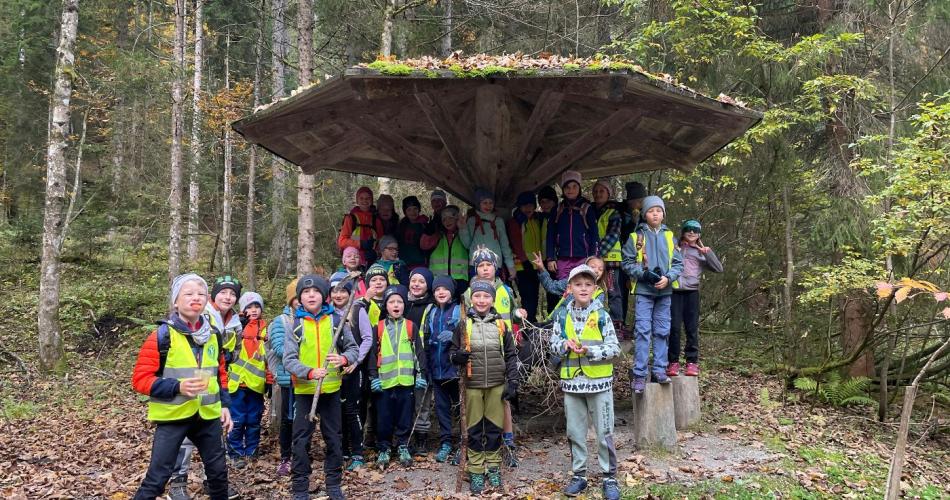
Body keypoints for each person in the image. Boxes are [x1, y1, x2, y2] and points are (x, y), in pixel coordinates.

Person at [132, 273, 232, 500]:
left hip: (207, 417)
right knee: (157, 478)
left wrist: (225, 405)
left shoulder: (214, 336)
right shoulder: (162, 336)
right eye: (188, 294)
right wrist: (178, 387)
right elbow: (140, 380)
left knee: (218, 475)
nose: (195, 298)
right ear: (176, 301)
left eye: (200, 294)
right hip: (173, 417)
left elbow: (220, 374)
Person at [282, 274, 358, 500]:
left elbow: (353, 349)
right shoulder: (295, 325)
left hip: (332, 392)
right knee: (300, 441)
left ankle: (333, 484)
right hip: (305, 392)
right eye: (305, 292)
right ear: (299, 298)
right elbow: (288, 359)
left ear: (325, 296)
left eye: (315, 291)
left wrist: (344, 359)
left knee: (334, 438)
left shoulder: (337, 321)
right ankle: (300, 488)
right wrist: (309, 372)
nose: (311, 295)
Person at [549, 265, 621, 500]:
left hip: (599, 383)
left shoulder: (602, 315)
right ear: (569, 288)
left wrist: (590, 350)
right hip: (572, 384)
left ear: (595, 287)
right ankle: (579, 475)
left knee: (604, 432)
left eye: (588, 284)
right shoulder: (561, 315)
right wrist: (563, 346)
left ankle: (609, 476)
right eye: (578, 284)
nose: (583, 288)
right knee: (575, 432)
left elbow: (614, 348)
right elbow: (553, 346)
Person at [167, 275, 243, 500]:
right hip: (190, 377)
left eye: (232, 294)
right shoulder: (202, 312)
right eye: (223, 292)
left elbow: (233, 351)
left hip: (216, 377)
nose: (228, 297)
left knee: (215, 433)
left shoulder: (235, 321)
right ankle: (177, 482)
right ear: (214, 295)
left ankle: (214, 481)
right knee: (186, 432)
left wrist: (228, 357)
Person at [450, 280, 519, 494]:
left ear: (492, 299)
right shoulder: (463, 324)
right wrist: (458, 357)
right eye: (477, 296)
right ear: (471, 298)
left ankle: (493, 467)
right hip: (472, 386)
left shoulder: (500, 325)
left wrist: (513, 381)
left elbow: (510, 354)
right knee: (473, 429)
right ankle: (476, 470)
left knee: (493, 429)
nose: (481, 300)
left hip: (496, 385)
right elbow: (452, 353)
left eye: (486, 296)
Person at [461, 246, 525, 467]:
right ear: (475, 268)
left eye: (489, 265)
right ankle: (473, 448)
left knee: (503, 400)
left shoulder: (505, 289)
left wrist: (518, 317)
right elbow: (461, 320)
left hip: (501, 348)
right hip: (477, 355)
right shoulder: (468, 292)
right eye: (481, 265)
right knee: (476, 407)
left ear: (495, 267)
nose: (485, 268)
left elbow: (514, 313)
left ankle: (506, 442)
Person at [621, 196, 683, 394]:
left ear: (663, 214)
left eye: (659, 210)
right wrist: (644, 275)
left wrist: (668, 277)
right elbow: (627, 263)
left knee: (662, 331)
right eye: (651, 210)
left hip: (665, 292)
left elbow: (678, 263)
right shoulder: (635, 237)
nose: (655, 213)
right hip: (644, 292)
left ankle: (659, 370)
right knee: (642, 332)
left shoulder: (670, 236)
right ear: (645, 214)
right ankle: (639, 375)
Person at [368, 285, 428, 469]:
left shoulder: (411, 327)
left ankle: (403, 445)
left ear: (404, 305)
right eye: (392, 302)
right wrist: (373, 378)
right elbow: (371, 355)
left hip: (406, 382)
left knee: (404, 416)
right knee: (384, 418)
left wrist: (421, 374)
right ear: (386, 306)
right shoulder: (377, 328)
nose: (396, 305)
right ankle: (384, 448)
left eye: (399, 301)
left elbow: (419, 352)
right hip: (384, 383)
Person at [328, 272, 374, 471]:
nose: (338, 295)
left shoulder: (357, 310)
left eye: (342, 291)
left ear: (349, 292)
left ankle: (357, 451)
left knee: (352, 410)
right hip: (333, 370)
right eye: (334, 291)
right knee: (336, 410)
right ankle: (342, 450)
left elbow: (367, 338)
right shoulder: (326, 313)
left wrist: (357, 360)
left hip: (354, 368)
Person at [668, 220, 722, 377]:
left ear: (699, 234)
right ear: (683, 231)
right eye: (688, 230)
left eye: (695, 230)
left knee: (691, 328)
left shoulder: (700, 252)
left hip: (692, 293)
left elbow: (718, 268)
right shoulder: (675, 246)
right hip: (675, 291)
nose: (692, 233)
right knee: (674, 328)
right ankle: (673, 362)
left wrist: (707, 252)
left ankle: (692, 362)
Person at [226, 292, 270, 465]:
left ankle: (252, 450)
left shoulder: (266, 328)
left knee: (253, 420)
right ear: (243, 309)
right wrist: (238, 329)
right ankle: (235, 452)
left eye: (256, 306)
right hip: (236, 383)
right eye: (249, 307)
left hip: (256, 384)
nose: (253, 310)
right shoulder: (234, 325)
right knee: (236, 420)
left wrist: (269, 380)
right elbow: (226, 349)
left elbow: (269, 355)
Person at [424, 276, 462, 464]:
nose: (441, 292)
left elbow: (466, 338)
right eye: (437, 289)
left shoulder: (458, 310)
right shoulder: (431, 311)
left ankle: (464, 443)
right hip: (436, 370)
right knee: (441, 409)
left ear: (451, 292)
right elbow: (426, 337)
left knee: (461, 409)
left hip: (454, 371)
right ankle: (446, 442)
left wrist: (455, 336)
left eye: (444, 289)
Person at [263, 280, 298, 477]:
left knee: (304, 419)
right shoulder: (281, 321)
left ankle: (301, 453)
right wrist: (304, 360)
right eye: (297, 297)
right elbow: (279, 347)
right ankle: (286, 457)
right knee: (288, 418)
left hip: (309, 378)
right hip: (289, 377)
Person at [356, 264, 390, 450]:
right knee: (363, 397)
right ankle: (361, 437)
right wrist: (366, 300)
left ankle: (377, 436)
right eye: (374, 280)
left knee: (380, 399)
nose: (378, 283)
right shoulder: (362, 302)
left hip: (384, 355)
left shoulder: (393, 300)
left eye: (381, 279)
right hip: (364, 354)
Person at [545, 170, 598, 280]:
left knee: (583, 288)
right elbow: (550, 235)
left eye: (574, 187)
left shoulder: (587, 208)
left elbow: (594, 235)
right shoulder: (557, 209)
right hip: (562, 258)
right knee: (564, 290)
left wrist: (593, 258)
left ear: (579, 189)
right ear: (563, 189)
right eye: (567, 187)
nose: (571, 190)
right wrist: (550, 258)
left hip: (583, 257)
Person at [405, 267, 436, 455]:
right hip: (401, 361)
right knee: (405, 401)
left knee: (422, 401)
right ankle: (404, 438)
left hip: (423, 359)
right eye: (414, 280)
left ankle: (421, 439)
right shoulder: (400, 302)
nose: (416, 284)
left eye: (422, 281)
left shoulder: (431, 306)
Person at [460, 187, 516, 280]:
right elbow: (467, 244)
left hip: (495, 264)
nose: (488, 206)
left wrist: (510, 266)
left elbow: (504, 245)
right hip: (475, 265)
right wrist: (463, 229)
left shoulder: (498, 221)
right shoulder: (471, 221)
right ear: (478, 204)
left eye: (491, 203)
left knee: (494, 292)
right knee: (478, 292)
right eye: (485, 203)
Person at [592, 179, 625, 333]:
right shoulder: (590, 211)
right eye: (596, 191)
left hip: (610, 261)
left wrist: (597, 253)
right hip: (594, 261)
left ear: (608, 193)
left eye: (602, 191)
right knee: (592, 290)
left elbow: (613, 235)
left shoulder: (614, 212)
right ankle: (594, 324)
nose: (598, 194)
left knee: (612, 291)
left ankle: (616, 325)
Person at [532, 253, 609, 319]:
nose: (596, 271)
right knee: (561, 312)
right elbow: (551, 286)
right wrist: (542, 269)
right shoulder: (569, 282)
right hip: (563, 323)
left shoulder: (599, 292)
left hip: (586, 326)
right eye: (593, 267)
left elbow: (596, 312)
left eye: (600, 269)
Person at [508, 191, 543, 322]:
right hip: (522, 266)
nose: (527, 208)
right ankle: (527, 328)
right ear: (519, 207)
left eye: (530, 205)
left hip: (536, 265)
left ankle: (531, 324)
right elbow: (516, 242)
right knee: (528, 298)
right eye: (524, 206)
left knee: (534, 297)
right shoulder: (515, 221)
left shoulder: (536, 220)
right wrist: (524, 261)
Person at [421, 205, 470, 298]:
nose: (447, 222)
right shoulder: (439, 235)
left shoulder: (463, 233)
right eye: (444, 219)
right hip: (439, 280)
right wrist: (428, 232)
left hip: (460, 280)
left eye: (451, 218)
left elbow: (468, 244)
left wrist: (462, 228)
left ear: (457, 219)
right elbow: (424, 246)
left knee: (459, 309)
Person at [619, 181, 647, 332]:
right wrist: (632, 223)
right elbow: (621, 234)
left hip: (642, 260)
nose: (637, 204)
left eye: (640, 201)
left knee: (641, 293)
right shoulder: (622, 212)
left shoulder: (648, 214)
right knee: (622, 292)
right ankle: (621, 323)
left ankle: (640, 326)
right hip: (624, 258)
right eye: (634, 201)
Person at [338, 186, 385, 266]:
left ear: (371, 200)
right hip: (353, 261)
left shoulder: (376, 220)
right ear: (357, 200)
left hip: (372, 260)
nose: (364, 201)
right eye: (361, 198)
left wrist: (376, 253)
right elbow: (342, 241)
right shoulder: (350, 219)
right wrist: (361, 244)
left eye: (367, 198)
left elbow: (382, 242)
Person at [537, 186, 560, 316]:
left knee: (556, 290)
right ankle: (551, 318)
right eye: (542, 202)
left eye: (548, 201)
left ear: (554, 201)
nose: (545, 205)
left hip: (557, 259)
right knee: (548, 291)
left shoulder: (559, 216)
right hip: (543, 259)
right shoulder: (540, 218)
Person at [396, 196, 430, 270]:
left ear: (419, 209)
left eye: (415, 208)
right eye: (409, 210)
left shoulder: (425, 225)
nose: (413, 212)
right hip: (404, 264)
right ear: (405, 212)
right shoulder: (401, 226)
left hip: (420, 264)